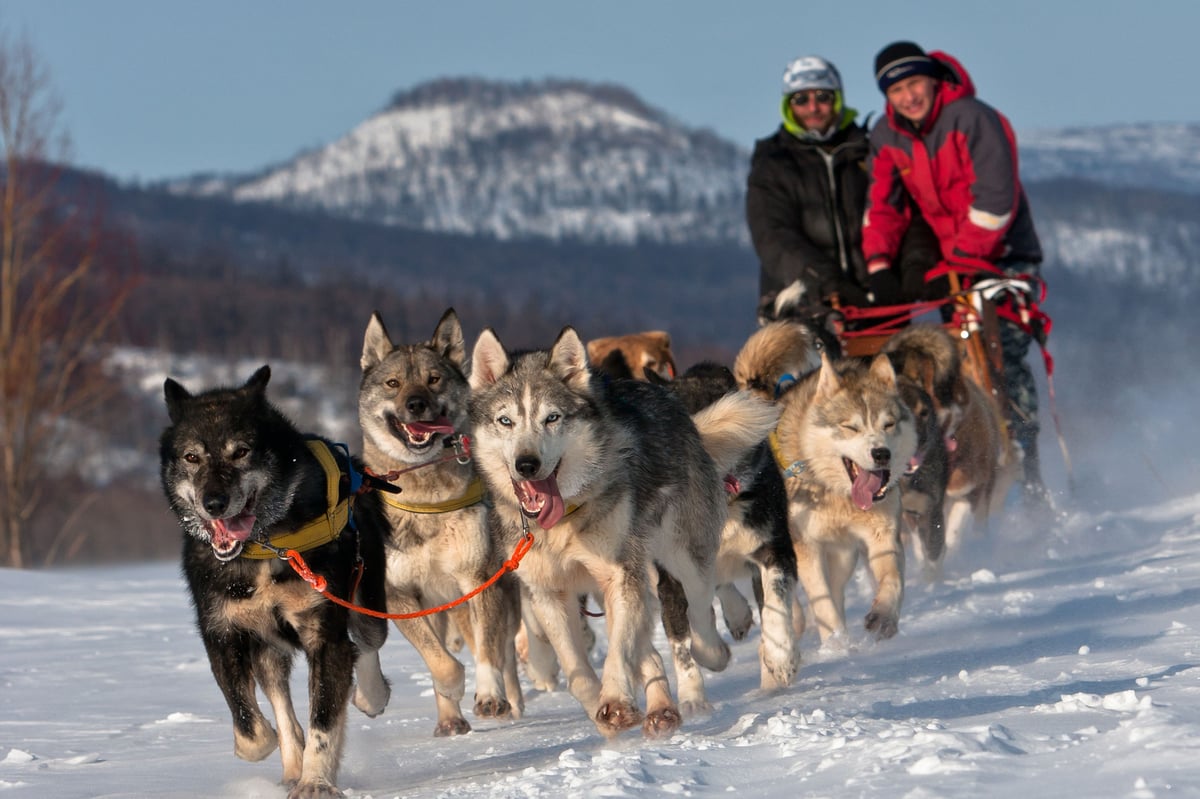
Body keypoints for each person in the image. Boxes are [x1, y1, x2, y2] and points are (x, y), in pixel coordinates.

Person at [862, 40, 1051, 510]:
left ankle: (1025, 462)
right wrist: (881, 266)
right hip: (952, 268)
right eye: (897, 89)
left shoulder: (971, 117)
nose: (909, 96)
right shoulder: (888, 136)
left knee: (1000, 354)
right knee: (958, 365)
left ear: (932, 80)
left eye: (914, 83)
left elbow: (994, 200)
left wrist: (963, 260)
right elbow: (883, 207)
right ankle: (967, 464)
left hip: (1002, 255)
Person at [745, 55, 938, 334]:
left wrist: (912, 266)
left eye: (823, 97)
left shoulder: (868, 149)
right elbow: (772, 236)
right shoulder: (772, 162)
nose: (813, 108)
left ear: (837, 98)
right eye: (801, 100)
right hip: (802, 304)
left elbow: (905, 211)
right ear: (788, 106)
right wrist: (826, 282)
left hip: (877, 302)